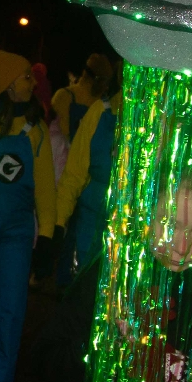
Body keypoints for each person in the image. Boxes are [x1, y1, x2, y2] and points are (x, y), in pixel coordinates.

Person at [0, 49, 55, 382]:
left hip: (17, 235)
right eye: (25, 77)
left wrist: (49, 233)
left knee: (12, 305)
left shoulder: (36, 130)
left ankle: (0, 380)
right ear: (7, 85)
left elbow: (45, 188)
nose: (32, 82)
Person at [52, 53, 120, 287]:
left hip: (130, 227)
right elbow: (75, 172)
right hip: (91, 222)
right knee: (84, 285)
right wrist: (59, 221)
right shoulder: (100, 111)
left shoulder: (157, 117)